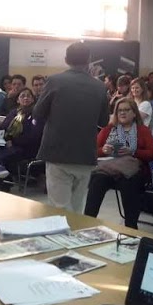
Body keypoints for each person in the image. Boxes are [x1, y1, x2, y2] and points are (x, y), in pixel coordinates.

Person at [33, 43, 110, 212]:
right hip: (85, 154)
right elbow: (104, 122)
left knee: (60, 208)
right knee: (76, 208)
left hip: (57, 152)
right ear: (89, 60)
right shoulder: (100, 86)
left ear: (66, 60)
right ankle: (76, 237)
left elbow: (38, 113)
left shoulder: (54, 81)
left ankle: (64, 238)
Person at [84, 99, 153, 229]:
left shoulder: (142, 130)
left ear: (134, 113)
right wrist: (103, 150)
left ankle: (130, 227)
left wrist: (133, 151)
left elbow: (152, 154)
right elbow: (92, 151)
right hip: (110, 169)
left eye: (126, 110)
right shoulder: (108, 130)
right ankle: (87, 222)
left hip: (133, 171)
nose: (122, 113)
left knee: (129, 182)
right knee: (98, 180)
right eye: (119, 110)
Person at [0, 87, 45, 188]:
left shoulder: (37, 114)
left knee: (9, 153)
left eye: (29, 96)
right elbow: (3, 128)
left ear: (33, 99)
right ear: (18, 100)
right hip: (12, 145)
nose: (26, 98)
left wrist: (13, 141)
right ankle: (0, 176)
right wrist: (8, 140)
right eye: (22, 96)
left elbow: (33, 136)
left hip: (29, 149)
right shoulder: (14, 113)